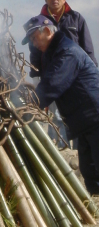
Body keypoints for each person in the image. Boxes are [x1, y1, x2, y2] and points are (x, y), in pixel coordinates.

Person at [22, 15, 99, 195]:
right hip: (84, 122)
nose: (33, 43)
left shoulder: (67, 52)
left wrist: (28, 105)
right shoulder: (52, 53)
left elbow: (52, 85)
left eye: (34, 38)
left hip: (94, 117)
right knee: (90, 171)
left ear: (48, 31)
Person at [28, 0, 96, 78]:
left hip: (75, 73)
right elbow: (34, 51)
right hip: (50, 75)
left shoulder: (76, 18)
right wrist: (35, 75)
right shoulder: (38, 22)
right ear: (46, 0)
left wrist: (93, 70)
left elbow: (87, 47)